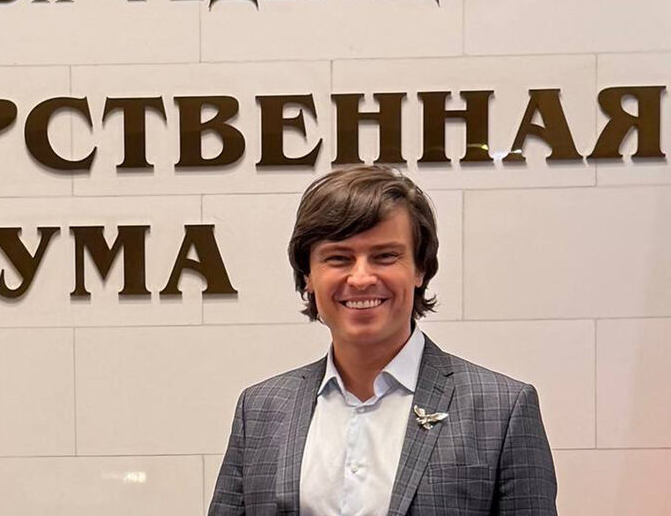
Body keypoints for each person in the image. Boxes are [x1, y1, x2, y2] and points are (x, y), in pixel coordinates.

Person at [209, 165, 557, 516]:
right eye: (338, 258)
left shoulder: (502, 410)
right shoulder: (261, 409)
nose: (361, 278)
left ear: (420, 269)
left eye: (385, 256)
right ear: (308, 276)